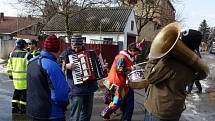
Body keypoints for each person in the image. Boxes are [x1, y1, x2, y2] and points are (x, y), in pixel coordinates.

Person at [143, 29, 207, 121]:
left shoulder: (170, 62)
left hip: (158, 110)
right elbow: (199, 76)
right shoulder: (194, 65)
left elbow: (150, 78)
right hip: (175, 110)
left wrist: (152, 60)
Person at [26, 34, 69, 121]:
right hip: (52, 113)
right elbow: (60, 96)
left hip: (34, 111)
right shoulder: (52, 66)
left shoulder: (32, 62)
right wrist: (65, 105)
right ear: (56, 49)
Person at [61, 34, 98, 121]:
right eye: (74, 47)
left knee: (87, 115)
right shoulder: (66, 52)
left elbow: (95, 68)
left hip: (89, 88)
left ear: (82, 44)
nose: (76, 49)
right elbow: (58, 64)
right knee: (75, 115)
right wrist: (66, 65)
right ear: (71, 44)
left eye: (79, 47)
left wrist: (101, 67)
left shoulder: (89, 52)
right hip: (75, 89)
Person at [100, 42, 140, 121]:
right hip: (118, 84)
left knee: (129, 105)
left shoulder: (130, 57)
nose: (137, 54)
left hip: (127, 84)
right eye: (137, 52)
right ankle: (104, 113)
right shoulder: (121, 57)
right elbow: (119, 70)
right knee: (116, 103)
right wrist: (130, 69)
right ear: (132, 50)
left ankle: (126, 119)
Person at [7, 39, 33, 114]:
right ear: (22, 45)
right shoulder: (27, 55)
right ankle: (23, 109)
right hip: (25, 79)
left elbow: (9, 66)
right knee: (24, 94)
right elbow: (32, 66)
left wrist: (10, 75)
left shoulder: (11, 54)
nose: (26, 46)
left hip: (15, 79)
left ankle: (14, 108)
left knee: (16, 92)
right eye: (25, 44)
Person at [183, 29, 203, 94]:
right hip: (193, 69)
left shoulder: (195, 52)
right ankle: (197, 89)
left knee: (192, 80)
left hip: (195, 69)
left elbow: (198, 60)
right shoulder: (194, 50)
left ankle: (189, 91)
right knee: (194, 80)